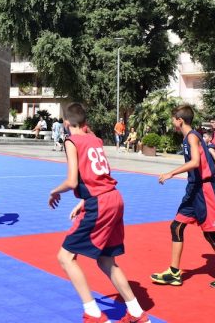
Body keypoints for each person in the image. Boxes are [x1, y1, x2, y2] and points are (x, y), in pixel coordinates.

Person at [49, 103, 151, 323]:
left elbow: (72, 181)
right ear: (85, 122)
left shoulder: (71, 141)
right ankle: (136, 313)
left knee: (65, 257)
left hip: (100, 203)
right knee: (106, 261)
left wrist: (54, 192)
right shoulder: (94, 140)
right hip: (113, 197)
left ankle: (93, 314)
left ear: (66, 123)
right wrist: (85, 202)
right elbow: (99, 177)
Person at [151, 105, 215, 289]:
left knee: (210, 233)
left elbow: (195, 162)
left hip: (204, 190)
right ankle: (174, 273)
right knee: (176, 226)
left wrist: (171, 173)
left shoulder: (192, 136)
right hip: (193, 190)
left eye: (173, 118)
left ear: (179, 120)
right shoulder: (190, 136)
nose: (172, 121)